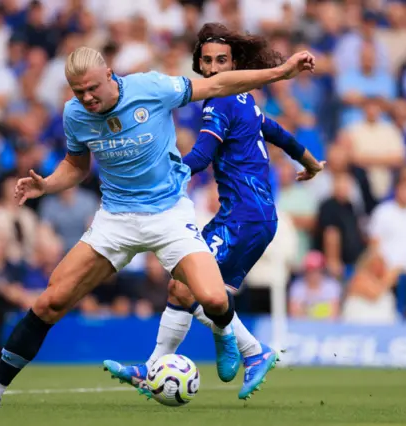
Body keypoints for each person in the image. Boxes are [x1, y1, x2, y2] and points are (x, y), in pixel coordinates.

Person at [0, 40, 315, 406]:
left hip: (168, 214)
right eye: (79, 91)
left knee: (214, 297)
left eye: (92, 88)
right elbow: (77, 165)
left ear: (110, 74)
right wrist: (47, 184)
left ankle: (235, 342)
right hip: (116, 219)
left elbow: (217, 85)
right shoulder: (74, 114)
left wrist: (281, 72)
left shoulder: (150, 87)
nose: (87, 97)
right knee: (50, 302)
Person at [103, 23, 324, 400]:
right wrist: (310, 162)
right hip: (250, 215)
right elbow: (278, 133)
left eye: (222, 60)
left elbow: (203, 155)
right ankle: (154, 365)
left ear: (234, 62)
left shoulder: (219, 101)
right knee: (182, 285)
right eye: (207, 62)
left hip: (243, 216)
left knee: (195, 288)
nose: (214, 68)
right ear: (199, 66)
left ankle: (254, 352)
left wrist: (166, 174)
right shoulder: (246, 100)